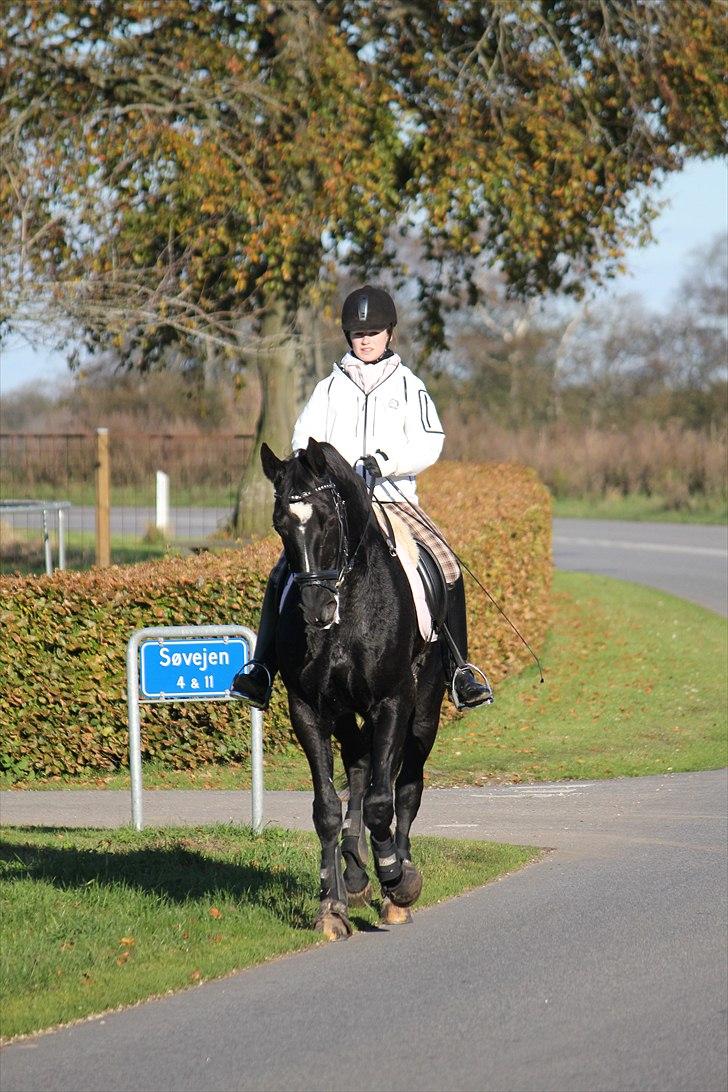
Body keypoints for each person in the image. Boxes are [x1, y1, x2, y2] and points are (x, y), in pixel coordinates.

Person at [231, 285, 493, 710]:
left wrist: (384, 462)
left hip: (393, 500)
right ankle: (260, 669)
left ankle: (459, 669)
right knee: (282, 572)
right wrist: (332, 474)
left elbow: (431, 441)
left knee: (446, 562)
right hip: (334, 507)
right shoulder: (328, 389)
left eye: (372, 332)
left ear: (390, 333)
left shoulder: (409, 387)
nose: (365, 339)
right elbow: (302, 441)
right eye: (356, 333)